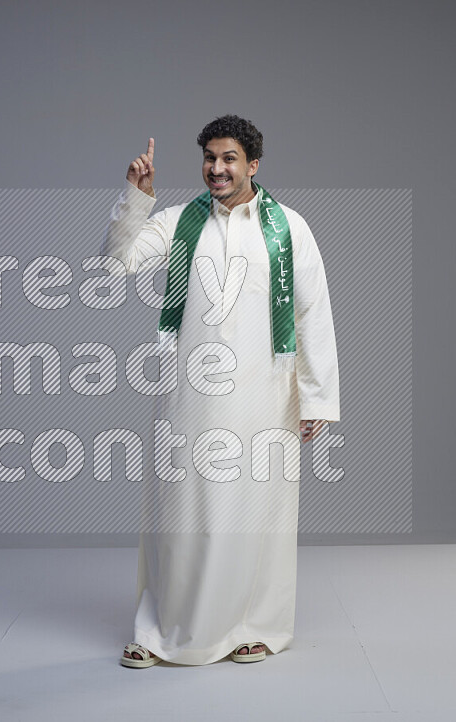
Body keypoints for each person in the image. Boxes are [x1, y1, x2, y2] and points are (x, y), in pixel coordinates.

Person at [99, 115, 340, 667]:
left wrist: (316, 397)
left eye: (229, 158)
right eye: (210, 158)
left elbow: (312, 312)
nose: (217, 168)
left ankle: (255, 626)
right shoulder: (179, 221)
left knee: (257, 511)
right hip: (189, 389)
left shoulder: (288, 229)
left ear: (253, 165)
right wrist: (134, 201)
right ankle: (163, 629)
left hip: (266, 392)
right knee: (180, 508)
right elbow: (118, 263)